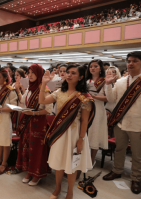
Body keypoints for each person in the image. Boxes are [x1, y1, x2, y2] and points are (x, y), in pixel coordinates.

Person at [39, 64, 95, 199]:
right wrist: (43, 84)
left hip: (75, 134)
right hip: (60, 132)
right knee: (59, 163)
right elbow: (42, 100)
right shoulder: (59, 92)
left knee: (72, 164)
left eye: (73, 73)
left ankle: (70, 191)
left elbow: (84, 121)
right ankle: (58, 188)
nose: (69, 75)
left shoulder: (84, 97)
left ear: (81, 77)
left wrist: (81, 139)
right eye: (68, 72)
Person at [103, 51, 141, 195]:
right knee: (119, 149)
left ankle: (136, 178)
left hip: (138, 125)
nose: (130, 63)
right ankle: (117, 171)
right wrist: (108, 85)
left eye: (135, 61)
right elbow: (111, 99)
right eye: (129, 61)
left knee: (137, 154)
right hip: (120, 122)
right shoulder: (121, 81)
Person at [15, 64, 53, 186]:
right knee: (26, 146)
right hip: (28, 122)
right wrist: (19, 91)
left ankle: (37, 174)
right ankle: (29, 171)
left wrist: (33, 112)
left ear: (40, 75)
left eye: (33, 73)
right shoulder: (29, 89)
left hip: (39, 123)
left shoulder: (45, 90)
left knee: (37, 149)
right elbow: (23, 102)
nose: (30, 75)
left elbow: (49, 110)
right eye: (28, 73)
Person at [85, 59, 108, 166]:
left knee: (95, 134)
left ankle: (92, 160)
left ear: (100, 68)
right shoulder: (86, 81)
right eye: (91, 67)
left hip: (98, 110)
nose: (93, 68)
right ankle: (83, 158)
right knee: (85, 133)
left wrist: (93, 96)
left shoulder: (105, 81)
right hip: (86, 108)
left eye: (95, 66)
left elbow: (108, 98)